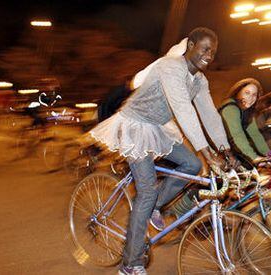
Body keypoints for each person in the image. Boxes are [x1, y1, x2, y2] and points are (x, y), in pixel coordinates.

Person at [89, 27, 238, 275]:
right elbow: (183, 109)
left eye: (213, 52)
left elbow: (210, 115)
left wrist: (226, 149)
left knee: (192, 165)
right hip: (134, 125)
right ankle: (130, 264)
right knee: (146, 192)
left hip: (156, 128)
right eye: (204, 48)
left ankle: (153, 207)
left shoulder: (200, 80)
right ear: (190, 45)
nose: (209, 55)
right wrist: (207, 152)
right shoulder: (170, 66)